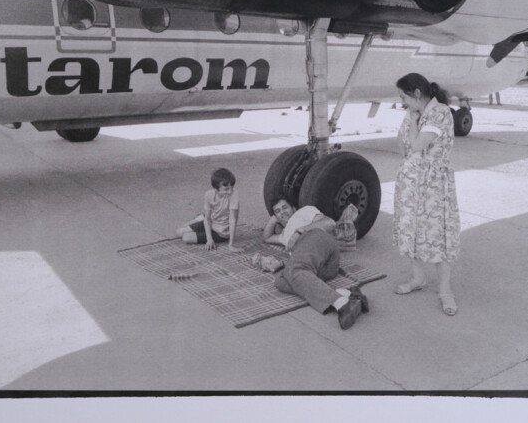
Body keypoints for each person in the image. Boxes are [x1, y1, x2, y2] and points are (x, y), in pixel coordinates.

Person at [393, 73, 460, 316]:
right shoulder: (415, 113)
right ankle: (418, 278)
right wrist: (411, 122)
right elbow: (400, 146)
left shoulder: (440, 112)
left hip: (433, 184)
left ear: (417, 93)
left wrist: (412, 123)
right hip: (412, 182)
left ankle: (445, 290)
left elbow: (416, 146)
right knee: (413, 230)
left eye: (404, 97)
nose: (402, 102)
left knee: (437, 234)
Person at [262, 197, 368, 330]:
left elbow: (329, 223)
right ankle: (348, 294)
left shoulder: (304, 212)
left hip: (318, 240)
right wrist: (273, 219)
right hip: (323, 269)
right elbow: (266, 237)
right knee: (281, 281)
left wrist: (299, 231)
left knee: (294, 271)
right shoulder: (284, 235)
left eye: (285, 207)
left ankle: (341, 304)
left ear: (294, 208)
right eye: (278, 211)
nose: (282, 212)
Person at [176, 168, 241, 252]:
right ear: (216, 188)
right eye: (226, 189)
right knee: (179, 232)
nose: (230, 191)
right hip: (211, 222)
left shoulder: (234, 194)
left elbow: (233, 220)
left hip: (221, 232)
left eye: (231, 187)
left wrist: (231, 245)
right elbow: (207, 219)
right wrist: (209, 239)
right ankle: (199, 218)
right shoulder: (208, 194)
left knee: (186, 238)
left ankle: (200, 218)